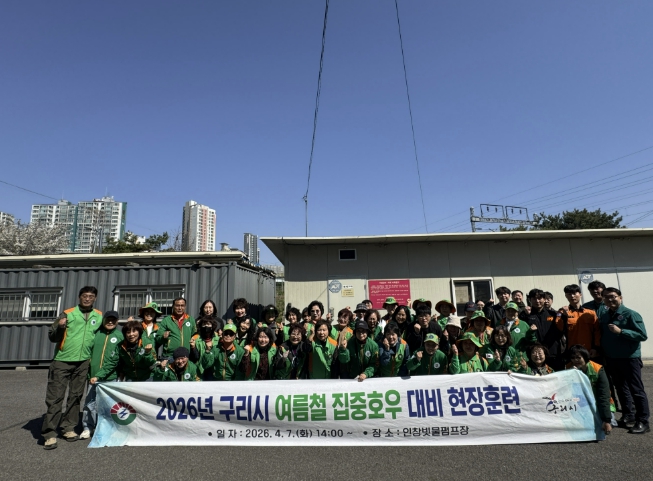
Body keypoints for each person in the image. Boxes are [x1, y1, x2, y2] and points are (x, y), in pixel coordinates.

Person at [42, 286, 102, 450]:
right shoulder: (67, 313)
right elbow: (52, 337)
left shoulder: (98, 315)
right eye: (85, 296)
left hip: (83, 362)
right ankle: (49, 434)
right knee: (55, 398)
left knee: (75, 397)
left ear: (95, 298)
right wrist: (60, 327)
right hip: (62, 360)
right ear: (79, 297)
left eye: (91, 296)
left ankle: (68, 428)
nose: (87, 299)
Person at [599, 287, 649, 434]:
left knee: (636, 390)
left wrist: (621, 331)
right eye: (606, 297)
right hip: (612, 358)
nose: (610, 299)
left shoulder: (631, 314)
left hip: (629, 358)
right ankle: (628, 415)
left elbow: (642, 335)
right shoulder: (605, 315)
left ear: (620, 297)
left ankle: (643, 421)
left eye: (613, 296)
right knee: (621, 389)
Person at [80, 310, 122, 440]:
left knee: (109, 404)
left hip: (110, 377)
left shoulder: (120, 336)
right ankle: (88, 427)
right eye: (108, 319)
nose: (110, 322)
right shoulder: (96, 334)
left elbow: (118, 359)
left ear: (117, 322)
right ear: (103, 320)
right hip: (93, 376)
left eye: (113, 320)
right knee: (90, 403)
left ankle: (107, 428)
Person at [567, 344, 613, 435]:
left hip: (598, 403)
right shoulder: (568, 368)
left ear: (585, 356)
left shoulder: (598, 369)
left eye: (578, 357)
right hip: (580, 404)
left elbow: (603, 395)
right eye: (573, 358)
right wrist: (571, 374)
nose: (575, 360)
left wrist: (606, 419)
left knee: (608, 423)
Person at [522, 289, 564, 371]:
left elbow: (561, 330)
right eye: (534, 299)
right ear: (530, 300)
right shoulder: (525, 315)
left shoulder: (553, 314)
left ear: (544, 299)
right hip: (535, 355)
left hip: (552, 353)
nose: (537, 301)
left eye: (539, 298)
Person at [559, 284, 600, 357]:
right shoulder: (562, 312)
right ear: (566, 296)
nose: (572, 296)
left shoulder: (590, 313)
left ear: (580, 294)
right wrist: (564, 316)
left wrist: (595, 347)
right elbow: (559, 329)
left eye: (574, 293)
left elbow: (597, 331)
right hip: (572, 351)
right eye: (569, 294)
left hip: (589, 350)